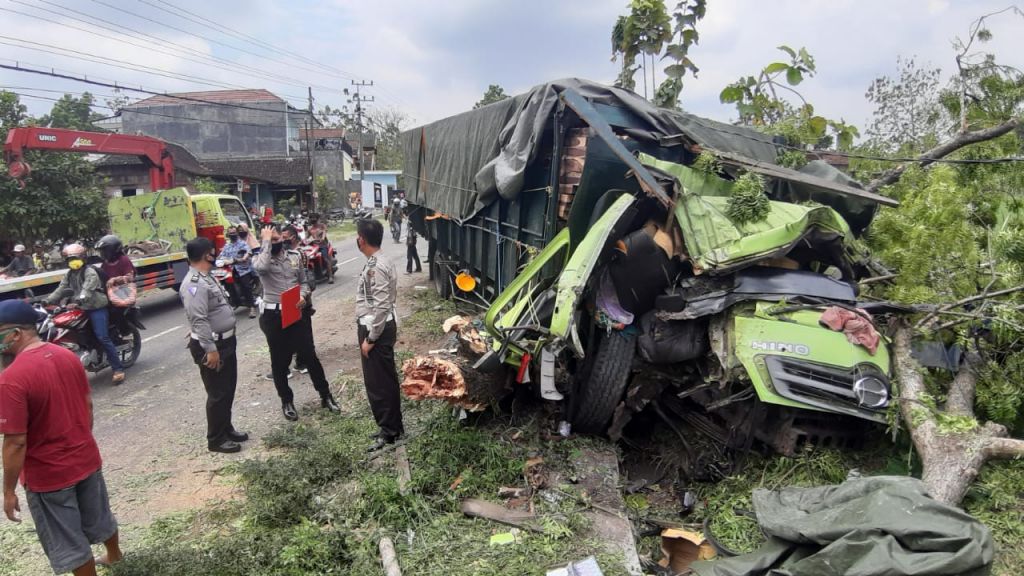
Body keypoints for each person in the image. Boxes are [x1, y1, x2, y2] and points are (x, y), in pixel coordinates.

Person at [0, 300, 123, 576]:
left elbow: (15, 442)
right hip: (86, 456)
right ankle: (114, 556)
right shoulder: (66, 355)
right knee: (99, 514)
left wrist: (8, 491)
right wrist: (80, 441)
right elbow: (87, 405)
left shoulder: (11, 379)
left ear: (17, 333)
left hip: (49, 475)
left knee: (68, 541)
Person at [253, 224, 340, 420]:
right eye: (271, 240)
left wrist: (303, 294)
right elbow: (261, 268)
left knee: (309, 355)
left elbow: (303, 281)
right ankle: (287, 401)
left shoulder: (294, 257)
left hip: (295, 311)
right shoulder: (260, 258)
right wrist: (266, 242)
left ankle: (326, 396)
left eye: (277, 239)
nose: (275, 243)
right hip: (273, 316)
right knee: (279, 361)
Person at [179, 237, 249, 454]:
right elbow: (198, 318)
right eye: (212, 251)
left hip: (226, 341)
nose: (215, 254)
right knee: (218, 393)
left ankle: (226, 428)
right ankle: (215, 439)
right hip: (213, 346)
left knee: (228, 389)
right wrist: (210, 349)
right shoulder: (194, 284)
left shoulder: (207, 277)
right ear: (204, 255)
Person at [355, 219, 404, 451]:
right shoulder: (379, 260)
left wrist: (370, 339)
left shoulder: (376, 266)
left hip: (377, 329)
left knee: (378, 383)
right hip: (380, 327)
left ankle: (389, 431)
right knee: (385, 379)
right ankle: (392, 425)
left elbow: (381, 306)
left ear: (362, 239)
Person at [45, 244, 125, 384]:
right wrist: (47, 300)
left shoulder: (90, 271)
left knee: (102, 337)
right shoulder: (70, 274)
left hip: (96, 307)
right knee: (72, 331)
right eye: (70, 259)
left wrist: (81, 297)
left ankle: (118, 369)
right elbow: (61, 288)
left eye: (75, 258)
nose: (73, 261)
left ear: (83, 258)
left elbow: (89, 286)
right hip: (81, 307)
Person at [96, 235, 136, 328]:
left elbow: (130, 277)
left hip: (122, 292)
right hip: (109, 292)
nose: (103, 253)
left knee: (114, 312)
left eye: (105, 250)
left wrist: (115, 279)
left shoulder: (124, 260)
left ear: (113, 250)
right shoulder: (105, 263)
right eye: (102, 251)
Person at [219, 227, 257, 318]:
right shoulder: (227, 246)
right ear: (228, 235)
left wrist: (243, 258)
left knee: (246, 286)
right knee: (226, 285)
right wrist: (219, 260)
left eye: (234, 232)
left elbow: (248, 252)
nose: (232, 234)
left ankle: (252, 307)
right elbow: (221, 256)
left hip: (243, 269)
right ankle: (234, 302)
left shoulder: (242, 244)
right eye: (230, 233)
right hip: (231, 270)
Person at [307, 214, 334, 284]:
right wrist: (303, 241)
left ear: (317, 218)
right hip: (314, 247)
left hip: (323, 245)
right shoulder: (310, 229)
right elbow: (306, 237)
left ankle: (330, 276)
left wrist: (322, 238)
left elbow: (324, 232)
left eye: (314, 218)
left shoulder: (322, 226)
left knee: (325, 259)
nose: (313, 219)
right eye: (311, 218)